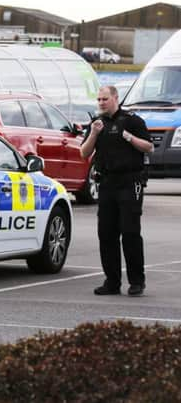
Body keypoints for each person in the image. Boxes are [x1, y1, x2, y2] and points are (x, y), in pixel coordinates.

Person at [80, 86, 154, 297]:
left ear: (115, 98)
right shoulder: (97, 123)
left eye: (105, 99)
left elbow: (149, 147)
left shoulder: (132, 120)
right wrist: (94, 132)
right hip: (107, 183)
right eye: (99, 99)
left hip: (130, 182)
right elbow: (84, 152)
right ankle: (112, 281)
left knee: (130, 232)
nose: (101, 102)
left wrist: (129, 138)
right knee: (106, 233)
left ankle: (136, 281)